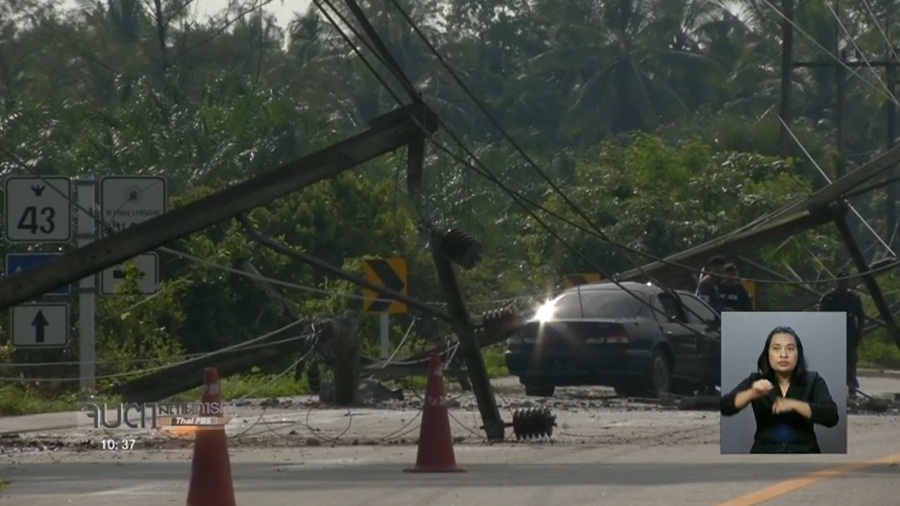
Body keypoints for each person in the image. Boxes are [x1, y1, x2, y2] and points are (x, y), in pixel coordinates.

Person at [720, 326, 839, 453]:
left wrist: (795, 404)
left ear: (798, 354)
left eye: (790, 349)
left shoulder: (813, 380)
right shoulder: (756, 380)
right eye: (776, 348)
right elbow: (726, 406)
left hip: (805, 454)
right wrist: (752, 393)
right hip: (764, 455)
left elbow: (831, 416)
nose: (783, 355)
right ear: (768, 354)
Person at [818, 270, 866, 397]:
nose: (843, 284)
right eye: (841, 281)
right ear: (837, 282)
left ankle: (852, 390)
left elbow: (861, 317)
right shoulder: (829, 298)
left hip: (849, 334)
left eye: (846, 281)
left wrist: (859, 332)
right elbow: (821, 318)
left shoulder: (853, 299)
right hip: (832, 334)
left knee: (850, 362)